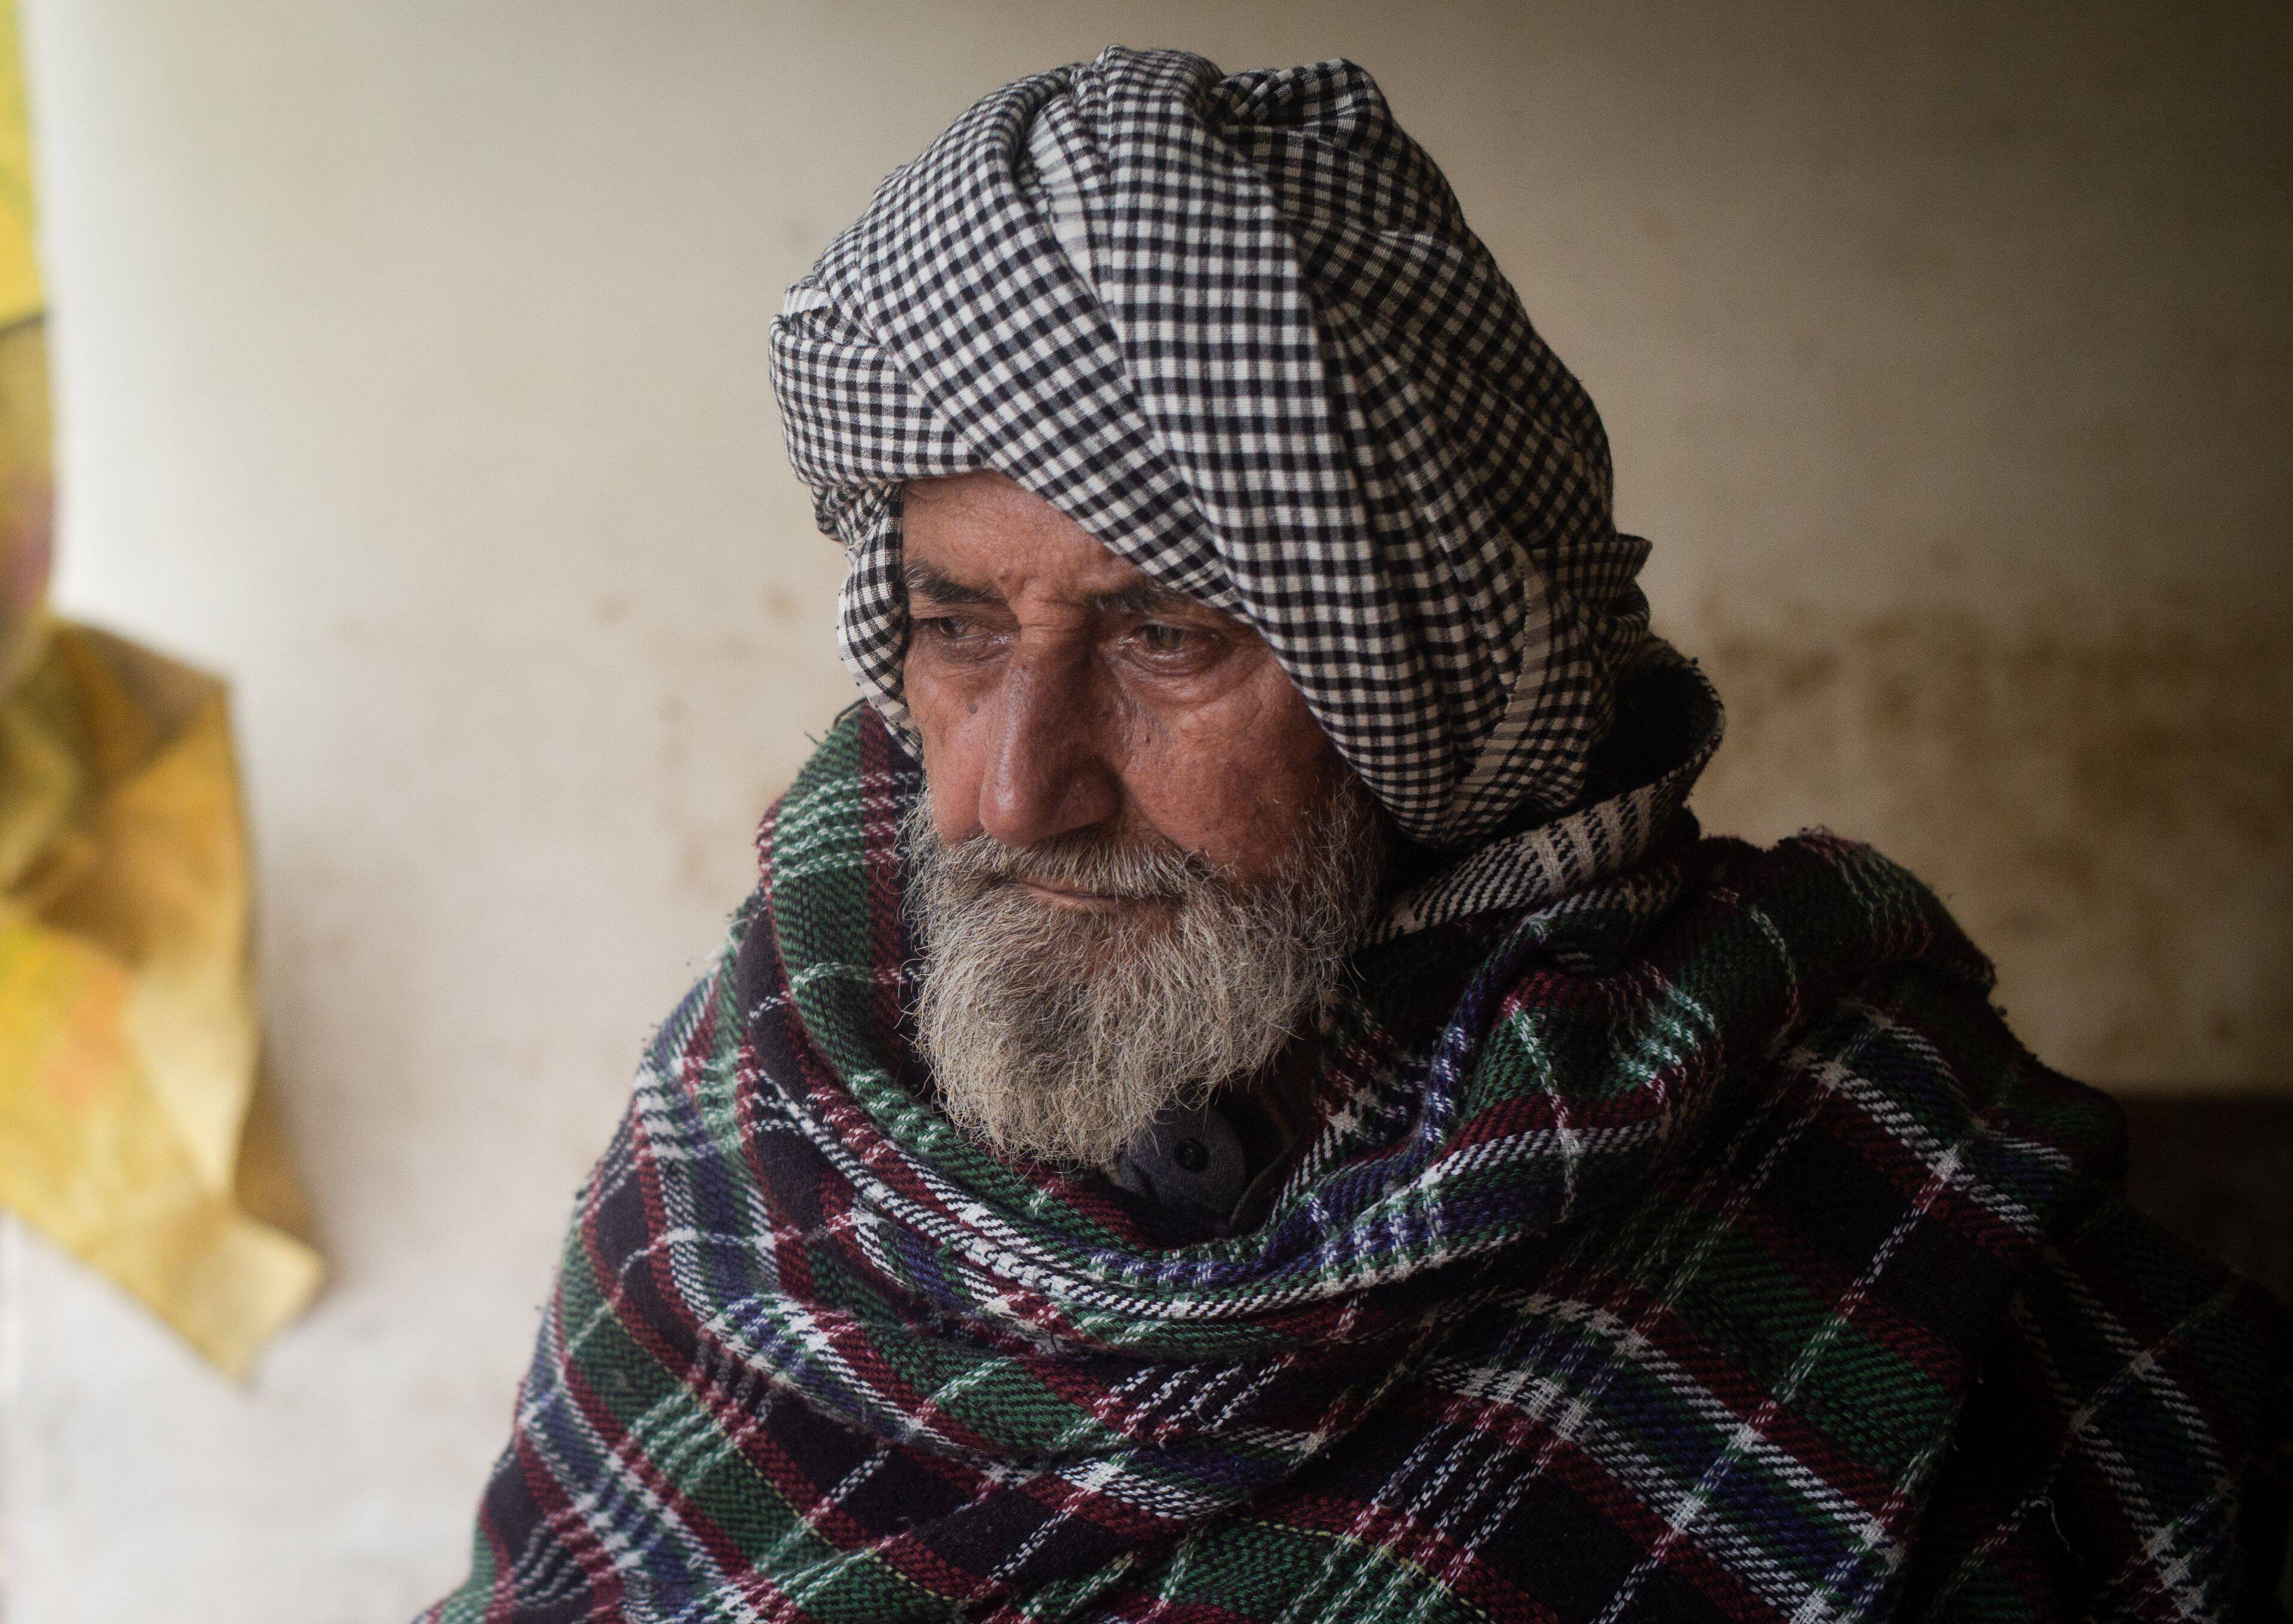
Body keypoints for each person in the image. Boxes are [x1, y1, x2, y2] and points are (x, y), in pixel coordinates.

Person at [421, 48, 2287, 1623]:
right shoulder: (776, 1086)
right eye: (956, 628)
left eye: (1166, 637)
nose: (1008, 788)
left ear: (1430, 679)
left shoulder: (1853, 1195)